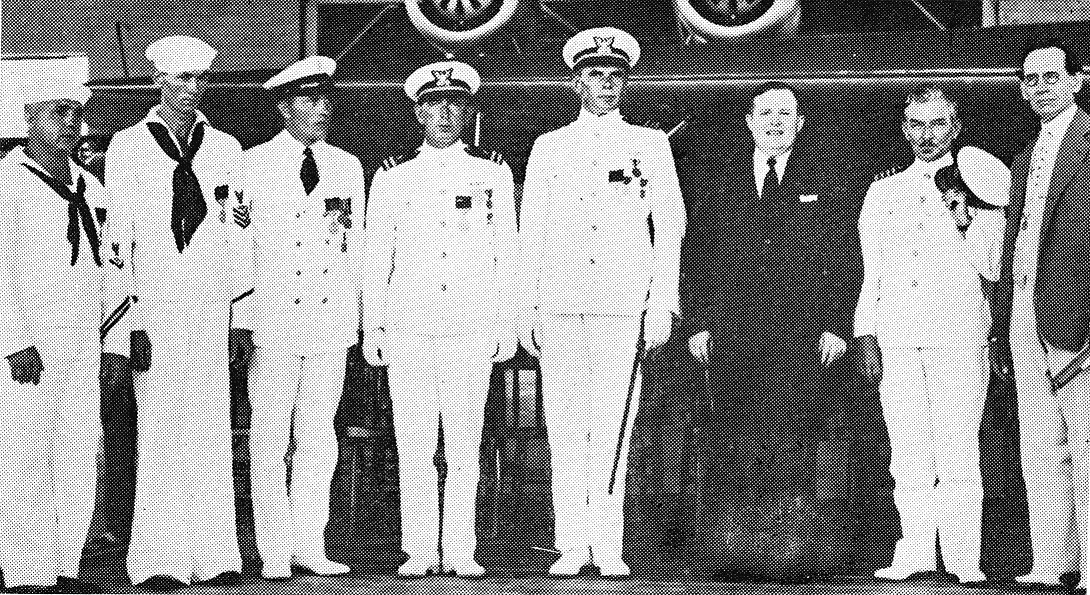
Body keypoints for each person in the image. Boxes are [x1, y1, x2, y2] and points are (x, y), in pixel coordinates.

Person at [519, 27, 685, 578]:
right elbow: (532, 233)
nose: (607, 84)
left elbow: (671, 229)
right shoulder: (549, 147)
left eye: (616, 76)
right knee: (564, 427)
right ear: (576, 82)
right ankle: (571, 544)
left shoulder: (649, 144)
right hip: (563, 306)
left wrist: (661, 304)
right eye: (595, 75)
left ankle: (607, 546)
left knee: (615, 428)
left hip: (622, 307)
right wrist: (528, 309)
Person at [679, 81, 860, 580]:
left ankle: (798, 555)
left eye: (785, 113)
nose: (775, 122)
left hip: (803, 336)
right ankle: (730, 554)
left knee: (800, 442)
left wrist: (836, 326)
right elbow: (698, 254)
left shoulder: (828, 178)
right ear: (749, 123)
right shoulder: (719, 179)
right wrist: (697, 324)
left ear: (800, 124)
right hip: (732, 334)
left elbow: (844, 257)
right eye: (765, 113)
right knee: (731, 440)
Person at [101, 35, 248, 591]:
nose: (190, 89)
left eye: (199, 80)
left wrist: (239, 319)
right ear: (159, 82)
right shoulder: (127, 148)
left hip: (209, 308)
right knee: (161, 428)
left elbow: (240, 238)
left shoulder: (227, 150)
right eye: (180, 80)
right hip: (154, 309)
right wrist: (126, 327)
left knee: (209, 428)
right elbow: (118, 243)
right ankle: (159, 558)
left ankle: (212, 555)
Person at [362, 60, 517, 578]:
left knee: (465, 448)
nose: (444, 113)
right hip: (410, 329)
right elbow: (375, 258)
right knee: (415, 447)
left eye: (454, 104)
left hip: (469, 331)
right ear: (418, 112)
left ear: (467, 110)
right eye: (433, 104)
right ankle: (420, 550)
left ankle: (460, 550)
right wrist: (373, 328)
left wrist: (505, 325)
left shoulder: (492, 175)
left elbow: (505, 256)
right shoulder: (390, 178)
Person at [854, 86, 1007, 585]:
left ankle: (965, 557)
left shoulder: (981, 188)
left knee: (957, 446)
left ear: (955, 129)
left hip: (959, 334)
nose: (926, 135)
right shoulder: (884, 192)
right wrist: (865, 334)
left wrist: (965, 216)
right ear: (904, 128)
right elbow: (871, 269)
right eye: (916, 124)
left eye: (937, 124)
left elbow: (991, 268)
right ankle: (916, 548)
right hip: (899, 335)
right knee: (908, 449)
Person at [231, 55, 362, 581]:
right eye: (305, 100)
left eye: (323, 100)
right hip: (274, 319)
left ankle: (311, 542)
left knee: (318, 435)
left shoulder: (347, 166)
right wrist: (241, 317)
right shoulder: (252, 164)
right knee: (269, 435)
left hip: (328, 322)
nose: (317, 110)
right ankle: (273, 548)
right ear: (284, 106)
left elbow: (353, 247)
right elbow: (238, 247)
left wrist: (354, 321)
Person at [0, 70, 127, 595]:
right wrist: (12, 341)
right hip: (30, 342)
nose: (71, 124)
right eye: (58, 113)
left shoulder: (90, 186)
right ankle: (26, 567)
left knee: (82, 450)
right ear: (29, 120)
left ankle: (68, 564)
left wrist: (116, 336)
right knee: (27, 454)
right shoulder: (7, 185)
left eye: (76, 114)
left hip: (82, 337)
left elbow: (114, 263)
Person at [989, 40, 1090, 590]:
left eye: (1052, 76)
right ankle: (1053, 562)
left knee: (1087, 441)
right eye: (1030, 79)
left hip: (1075, 322)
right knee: (1039, 441)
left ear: (1078, 79)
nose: (1040, 87)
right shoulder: (1032, 148)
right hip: (1026, 314)